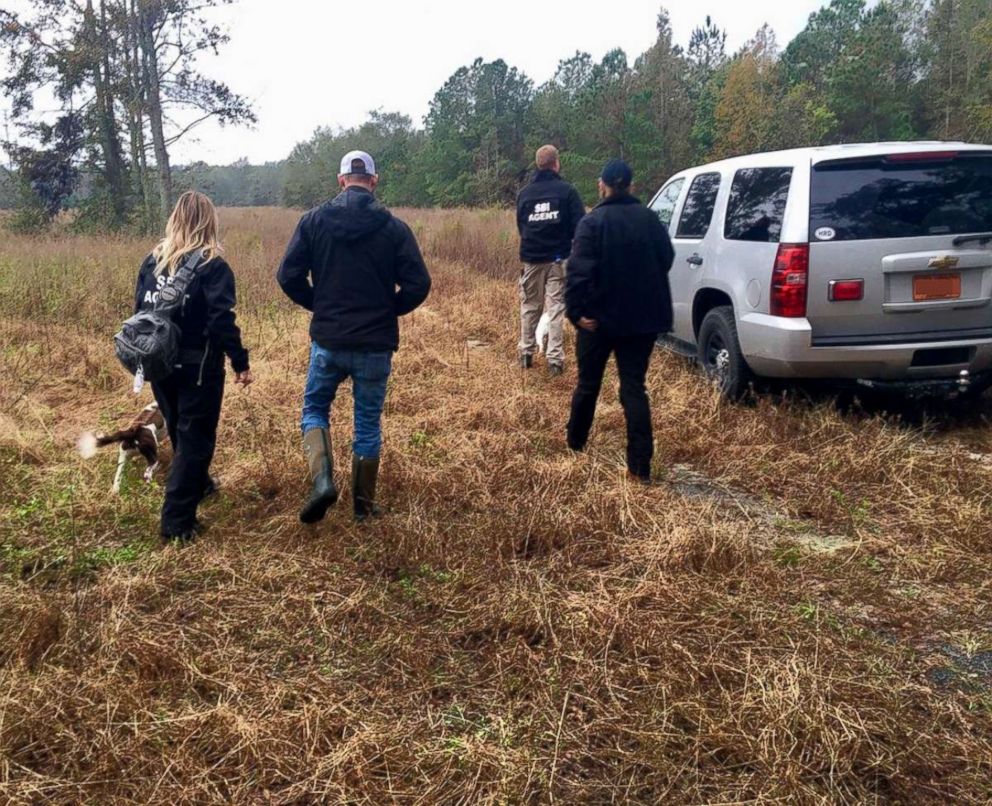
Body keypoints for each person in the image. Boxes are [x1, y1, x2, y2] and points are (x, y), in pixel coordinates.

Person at [277, 150, 431, 525]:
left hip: (328, 341)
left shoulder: (312, 222)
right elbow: (419, 284)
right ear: (374, 182)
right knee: (367, 422)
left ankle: (323, 482)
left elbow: (287, 276)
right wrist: (386, 310)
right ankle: (363, 507)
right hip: (374, 345)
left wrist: (320, 304)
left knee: (315, 408)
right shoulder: (394, 228)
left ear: (341, 180)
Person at [134, 191, 254, 544]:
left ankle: (200, 485)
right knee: (196, 440)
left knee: (179, 428)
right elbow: (221, 320)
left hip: (157, 361)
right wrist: (240, 362)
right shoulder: (212, 265)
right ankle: (176, 523)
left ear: (174, 220)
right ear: (209, 222)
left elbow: (139, 313)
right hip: (198, 366)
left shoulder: (152, 261)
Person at [564, 159, 675, 482]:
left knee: (588, 384)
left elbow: (578, 272)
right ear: (632, 185)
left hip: (596, 321)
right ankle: (640, 467)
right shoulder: (650, 219)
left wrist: (575, 313)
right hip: (642, 321)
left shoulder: (592, 222)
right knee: (634, 388)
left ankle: (575, 444)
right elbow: (666, 258)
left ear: (602, 185)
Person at [515, 144, 587, 376]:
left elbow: (521, 226)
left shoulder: (524, 194)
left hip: (532, 259)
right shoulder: (567, 191)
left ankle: (526, 354)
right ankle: (555, 360)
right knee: (555, 309)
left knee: (530, 306)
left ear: (538, 164)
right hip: (558, 260)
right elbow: (580, 226)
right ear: (556, 163)